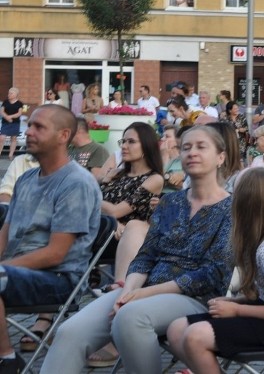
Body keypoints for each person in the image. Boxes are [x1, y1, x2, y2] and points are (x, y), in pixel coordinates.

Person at [41, 125, 233, 374]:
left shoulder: (233, 207)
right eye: (186, 147)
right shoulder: (170, 202)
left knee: (131, 318)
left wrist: (142, 295)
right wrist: (128, 291)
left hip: (195, 298)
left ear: (221, 157)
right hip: (143, 291)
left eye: (201, 147)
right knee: (70, 331)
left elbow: (213, 273)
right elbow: (146, 256)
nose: (192, 153)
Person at [166, 168, 264, 373]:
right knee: (176, 330)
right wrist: (235, 301)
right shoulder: (261, 240)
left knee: (195, 336)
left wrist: (237, 310)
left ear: (244, 204)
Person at [0, 105, 101, 372]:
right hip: (17, 271)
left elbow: (55, 254)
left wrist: (3, 268)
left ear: (63, 135)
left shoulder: (76, 183)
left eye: (39, 127)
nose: (28, 132)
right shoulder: (27, 179)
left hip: (58, 278)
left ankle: (7, 360)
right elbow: (5, 235)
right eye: (29, 125)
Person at [83, 123, 165, 368]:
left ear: (146, 145)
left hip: (132, 240)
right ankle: (58, 321)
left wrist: (109, 210)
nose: (125, 146)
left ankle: (120, 300)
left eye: (131, 141)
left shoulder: (154, 178)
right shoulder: (116, 173)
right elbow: (87, 199)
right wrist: (112, 216)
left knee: (133, 225)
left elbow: (119, 209)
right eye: (123, 141)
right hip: (102, 234)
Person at [1, 88, 24, 160]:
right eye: (8, 93)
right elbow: (1, 111)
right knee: (2, 138)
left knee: (13, 138)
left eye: (11, 93)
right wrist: (6, 117)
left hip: (15, 123)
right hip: (5, 123)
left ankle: (10, 155)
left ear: (16, 94)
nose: (9, 95)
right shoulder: (5, 102)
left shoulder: (19, 103)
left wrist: (10, 117)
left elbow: (19, 113)